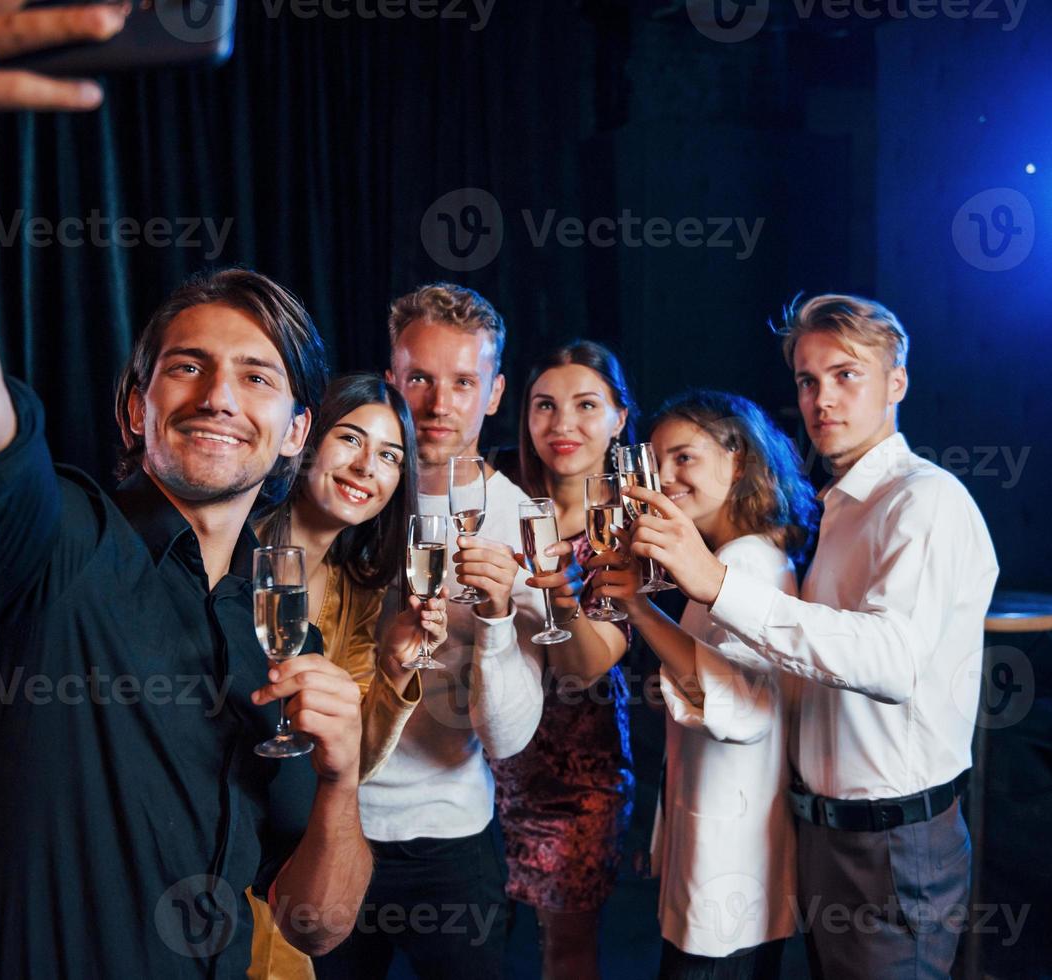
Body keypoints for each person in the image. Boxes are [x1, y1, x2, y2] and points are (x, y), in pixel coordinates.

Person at [0, 8, 370, 975]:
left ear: (298, 433)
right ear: (135, 407)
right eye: (188, 367)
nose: (220, 395)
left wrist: (341, 783)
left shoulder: (275, 626)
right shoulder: (49, 548)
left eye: (259, 377)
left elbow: (314, 926)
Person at [619, 295, 1000, 979]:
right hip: (822, 832)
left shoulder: (925, 500)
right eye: (807, 380)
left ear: (898, 384)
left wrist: (714, 584)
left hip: (894, 838)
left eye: (847, 375)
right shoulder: (838, 509)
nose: (823, 398)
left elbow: (891, 662)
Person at [311, 284, 547, 979]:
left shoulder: (525, 523)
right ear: (392, 380)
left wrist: (500, 617)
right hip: (333, 820)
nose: (439, 405)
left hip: (452, 836)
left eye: (463, 382)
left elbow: (506, 740)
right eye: (419, 379)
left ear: (495, 392)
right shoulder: (349, 492)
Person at [592, 389, 817, 978]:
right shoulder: (732, 559)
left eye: (683, 457)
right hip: (721, 850)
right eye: (657, 460)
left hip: (731, 866)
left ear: (737, 459)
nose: (663, 477)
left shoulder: (745, 566)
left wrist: (639, 609)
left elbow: (742, 709)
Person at [247, 374, 452, 980]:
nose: (367, 467)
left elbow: (350, 762)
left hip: (281, 876)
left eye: (390, 456)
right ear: (304, 438)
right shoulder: (232, 546)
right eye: (351, 439)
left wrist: (393, 669)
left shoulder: (354, 588)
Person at [485, 341, 637, 978]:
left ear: (619, 419)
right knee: (468, 946)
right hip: (477, 758)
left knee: (566, 953)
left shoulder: (634, 523)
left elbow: (584, 667)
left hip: (576, 774)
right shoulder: (493, 494)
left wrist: (560, 592)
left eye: (585, 405)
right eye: (544, 405)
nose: (562, 424)